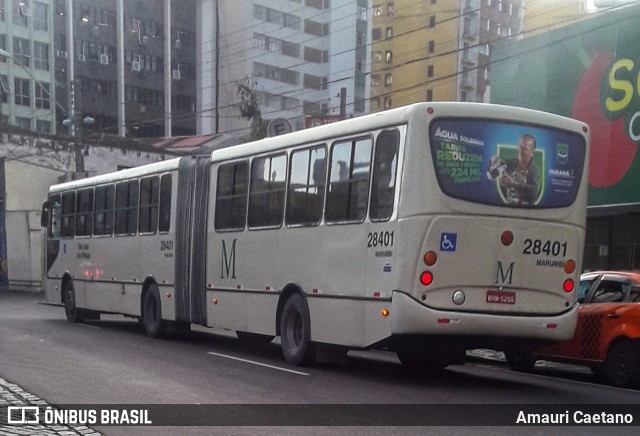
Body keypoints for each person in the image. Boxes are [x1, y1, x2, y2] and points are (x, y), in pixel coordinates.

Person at [498, 134, 540, 205]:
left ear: (532, 152)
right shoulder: (509, 163)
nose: (521, 151)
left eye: (525, 149)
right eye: (520, 147)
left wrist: (514, 183)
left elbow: (533, 192)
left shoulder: (534, 170)